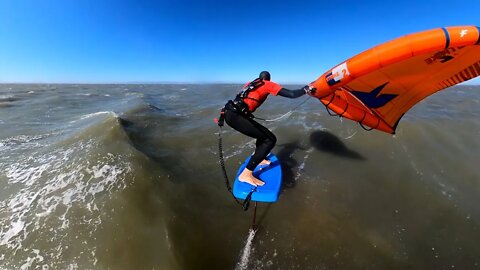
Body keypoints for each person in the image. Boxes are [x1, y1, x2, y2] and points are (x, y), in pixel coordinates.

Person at [219, 71, 316, 186]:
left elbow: (243, 99)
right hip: (236, 116)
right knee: (270, 139)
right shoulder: (267, 84)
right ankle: (246, 174)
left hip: (230, 113)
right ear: (268, 79)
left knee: (262, 135)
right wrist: (306, 89)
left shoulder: (251, 83)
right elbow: (291, 94)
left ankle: (260, 157)